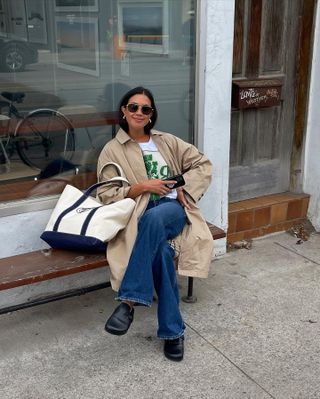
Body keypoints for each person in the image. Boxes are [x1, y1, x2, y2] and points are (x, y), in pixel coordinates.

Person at [97, 86, 213, 361]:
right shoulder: (112, 150)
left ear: (151, 115)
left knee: (157, 217)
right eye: (133, 107)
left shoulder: (167, 141)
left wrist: (184, 185)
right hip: (140, 215)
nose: (139, 112)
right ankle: (174, 333)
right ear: (124, 111)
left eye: (145, 109)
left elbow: (202, 165)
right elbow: (106, 194)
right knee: (160, 252)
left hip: (172, 210)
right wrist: (140, 187)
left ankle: (129, 301)